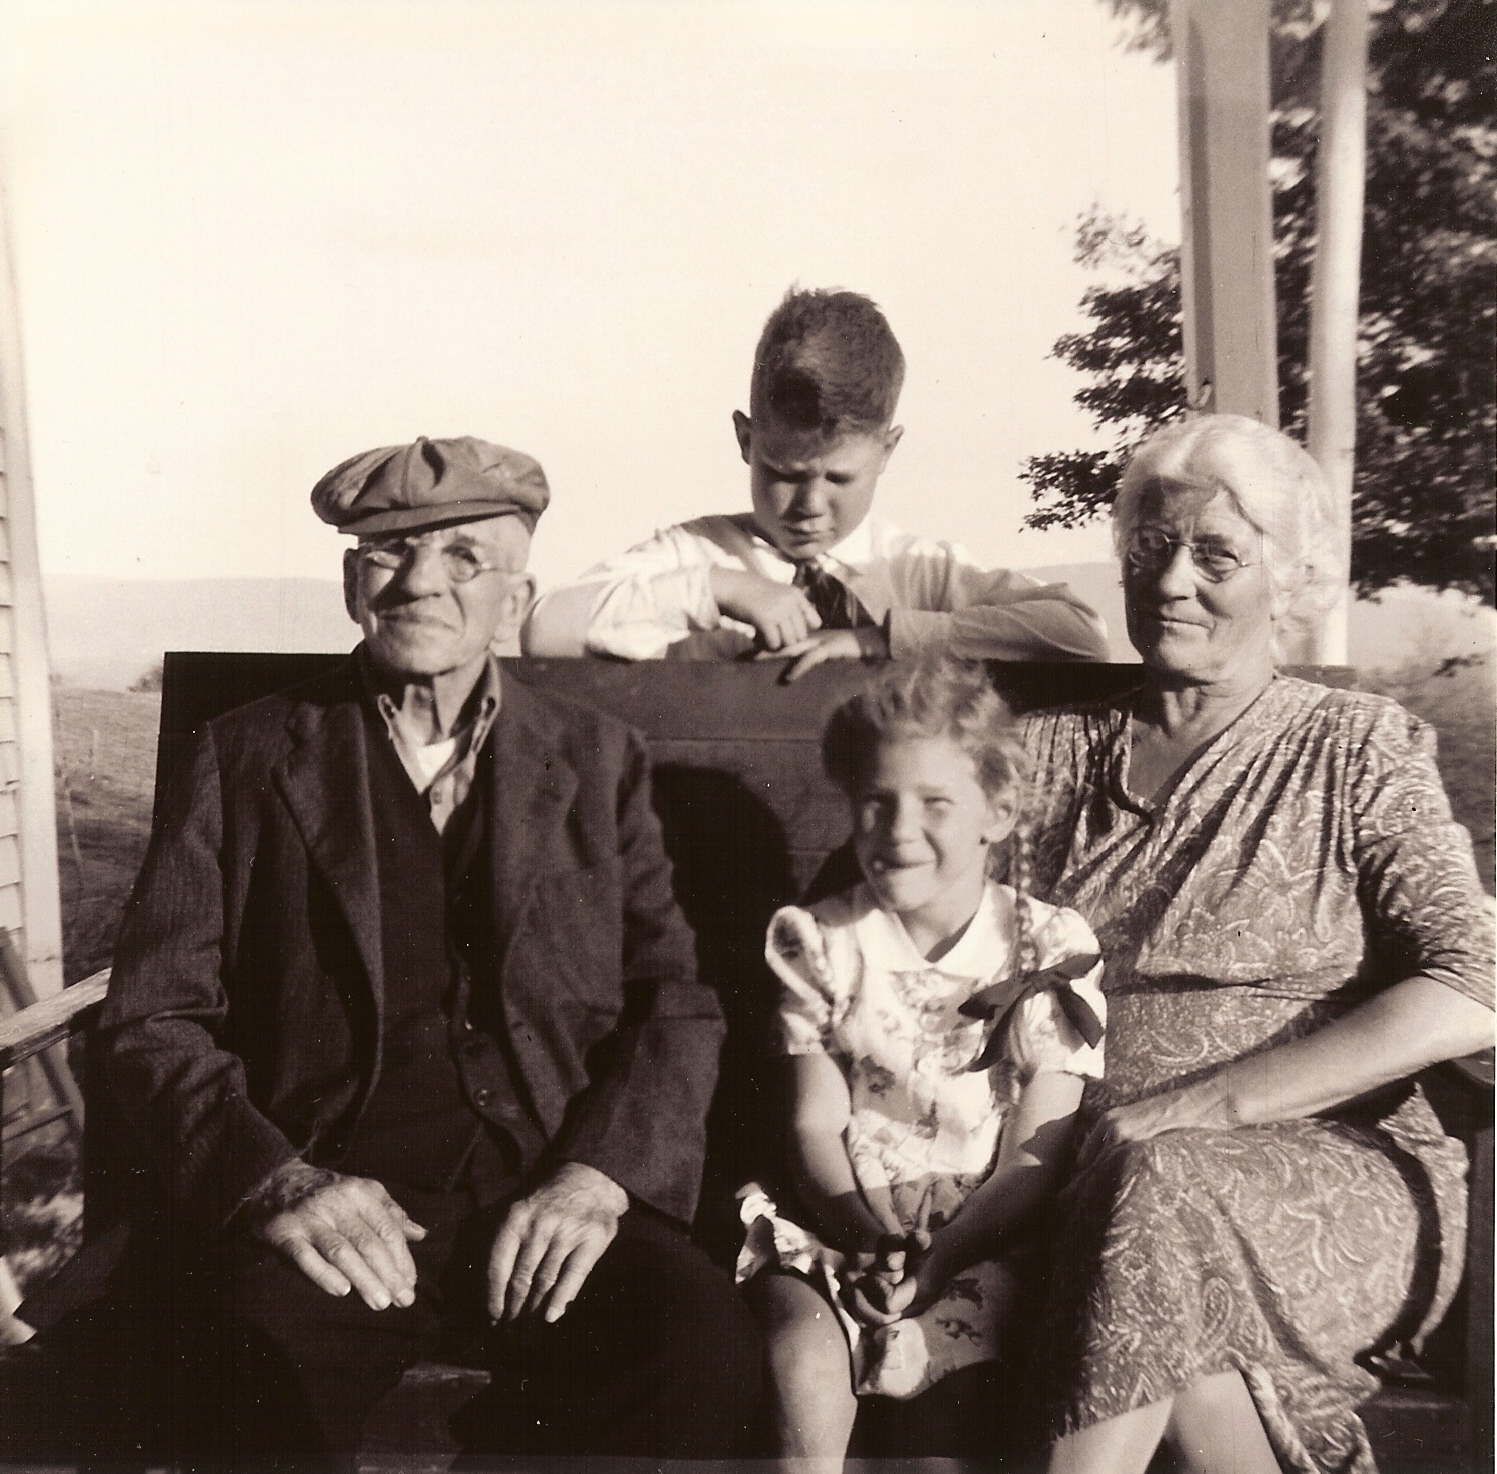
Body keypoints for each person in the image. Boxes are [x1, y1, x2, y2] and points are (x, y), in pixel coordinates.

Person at [94, 435, 759, 1468]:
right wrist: (278, 1182)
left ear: (515, 593)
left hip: (544, 1197)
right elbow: (152, 1015)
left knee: (698, 1342)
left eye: (461, 557)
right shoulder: (246, 756)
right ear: (349, 579)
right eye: (384, 553)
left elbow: (673, 999)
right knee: (226, 1362)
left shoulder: (593, 757)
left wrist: (596, 1176)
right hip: (329, 1212)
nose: (418, 583)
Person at [1018, 414, 1494, 1473]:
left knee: (1164, 1190)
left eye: (1216, 553)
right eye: (1151, 549)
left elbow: (1475, 981)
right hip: (1082, 1177)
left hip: (1329, 1168)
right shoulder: (1044, 753)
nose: (1173, 580)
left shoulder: (1355, 748)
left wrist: (1199, 1105)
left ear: (1295, 575)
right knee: (1174, 1303)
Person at [737, 660, 1106, 1466]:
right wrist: (864, 1237)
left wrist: (938, 1262)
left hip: (989, 1234)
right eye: (876, 802)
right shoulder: (822, 941)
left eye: (935, 803)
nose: (899, 831)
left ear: (997, 813)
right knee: (799, 1359)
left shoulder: (1047, 946)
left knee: (940, 1404)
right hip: (839, 1214)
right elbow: (814, 1122)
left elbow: (1032, 1158)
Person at [523, 288, 1109, 678]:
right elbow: (545, 629)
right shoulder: (693, 555)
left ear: (888, 451)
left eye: (839, 477)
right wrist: (713, 589)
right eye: (783, 473)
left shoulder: (917, 572)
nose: (809, 505)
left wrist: (886, 638)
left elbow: (1080, 635)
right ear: (746, 440)